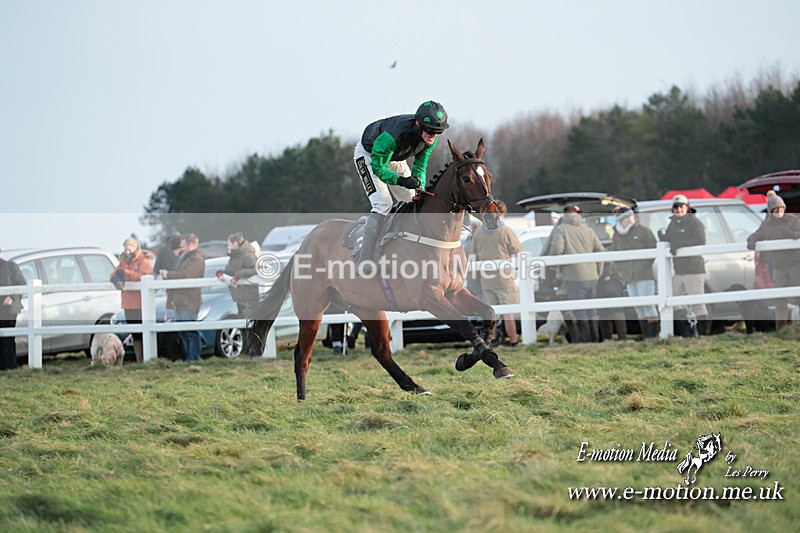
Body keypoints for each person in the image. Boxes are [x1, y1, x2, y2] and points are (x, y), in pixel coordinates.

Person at [353, 100, 449, 273]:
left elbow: (420, 166)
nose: (433, 136)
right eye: (430, 131)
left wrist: (419, 185)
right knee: (383, 204)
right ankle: (365, 257)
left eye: (438, 132)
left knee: (411, 200)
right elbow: (378, 168)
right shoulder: (393, 136)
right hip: (370, 157)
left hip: (395, 158)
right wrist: (403, 181)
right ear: (418, 124)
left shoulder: (431, 138)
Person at [547, 205, 605, 342]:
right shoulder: (589, 230)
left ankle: (583, 341)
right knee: (592, 310)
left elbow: (556, 249)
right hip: (592, 276)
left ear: (565, 215)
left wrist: (553, 267)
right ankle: (595, 339)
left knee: (579, 310)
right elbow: (600, 250)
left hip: (573, 277)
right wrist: (598, 271)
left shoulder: (561, 229)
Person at [471, 201, 522, 346]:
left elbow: (472, 252)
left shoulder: (479, 232)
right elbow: (517, 250)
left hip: (486, 278)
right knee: (508, 312)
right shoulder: (505, 231)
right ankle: (513, 339)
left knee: (491, 313)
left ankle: (493, 339)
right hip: (504, 277)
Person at [747, 190, 800, 329]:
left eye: (781, 208)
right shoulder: (767, 224)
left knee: (798, 296)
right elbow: (757, 234)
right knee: (779, 299)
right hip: (778, 266)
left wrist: (791, 235)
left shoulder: (793, 220)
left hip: (795, 264)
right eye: (776, 209)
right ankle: (780, 329)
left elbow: (799, 233)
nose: (779, 211)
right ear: (771, 211)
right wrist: (751, 240)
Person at [658, 194, 708, 337]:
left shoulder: (695, 222)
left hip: (694, 269)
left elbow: (700, 240)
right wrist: (663, 238)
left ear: (687, 207)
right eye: (676, 207)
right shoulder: (673, 223)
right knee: (672, 299)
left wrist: (679, 245)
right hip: (679, 270)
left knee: (698, 302)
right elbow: (670, 239)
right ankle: (687, 331)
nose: (679, 210)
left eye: (681, 207)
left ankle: (704, 334)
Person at [605, 207, 659, 339]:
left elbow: (653, 249)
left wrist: (643, 266)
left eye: (630, 216)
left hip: (644, 275)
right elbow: (615, 254)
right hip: (628, 276)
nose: (629, 220)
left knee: (648, 305)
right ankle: (646, 334)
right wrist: (622, 269)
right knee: (638, 307)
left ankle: (654, 334)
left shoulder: (643, 230)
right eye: (625, 218)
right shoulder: (617, 235)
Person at [160, 233, 206, 361]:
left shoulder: (196, 259)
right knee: (182, 331)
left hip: (189, 300)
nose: (181, 247)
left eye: (184, 245)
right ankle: (190, 358)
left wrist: (168, 274)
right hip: (180, 299)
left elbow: (186, 275)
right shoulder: (185, 257)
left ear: (191, 244)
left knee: (190, 331)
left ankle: (194, 358)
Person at [110, 238, 153, 362]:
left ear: (136, 247)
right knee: (135, 333)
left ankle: (148, 359)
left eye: (130, 248)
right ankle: (140, 360)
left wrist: (126, 273)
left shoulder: (144, 261)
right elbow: (113, 274)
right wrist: (117, 276)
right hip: (128, 303)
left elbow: (143, 276)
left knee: (144, 332)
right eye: (125, 248)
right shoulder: (122, 261)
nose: (127, 251)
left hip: (141, 302)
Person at [218, 232, 259, 356]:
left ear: (236, 243)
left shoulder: (247, 255)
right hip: (239, 295)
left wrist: (238, 275)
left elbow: (255, 269)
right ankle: (249, 351)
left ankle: (255, 352)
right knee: (244, 323)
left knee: (251, 324)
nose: (228, 246)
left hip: (249, 295)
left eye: (229, 244)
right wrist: (220, 273)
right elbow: (229, 270)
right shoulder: (234, 256)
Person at [0, 247, 26, 370]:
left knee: (8, 338)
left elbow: (21, 284)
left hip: (8, 309)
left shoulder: (11, 266)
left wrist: (11, 296)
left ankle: (10, 366)